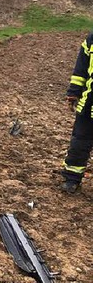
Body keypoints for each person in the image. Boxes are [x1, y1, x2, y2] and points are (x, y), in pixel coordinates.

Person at [60, 31, 93, 193]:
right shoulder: (91, 40)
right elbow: (81, 69)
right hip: (89, 104)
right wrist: (73, 93)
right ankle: (72, 177)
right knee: (79, 143)